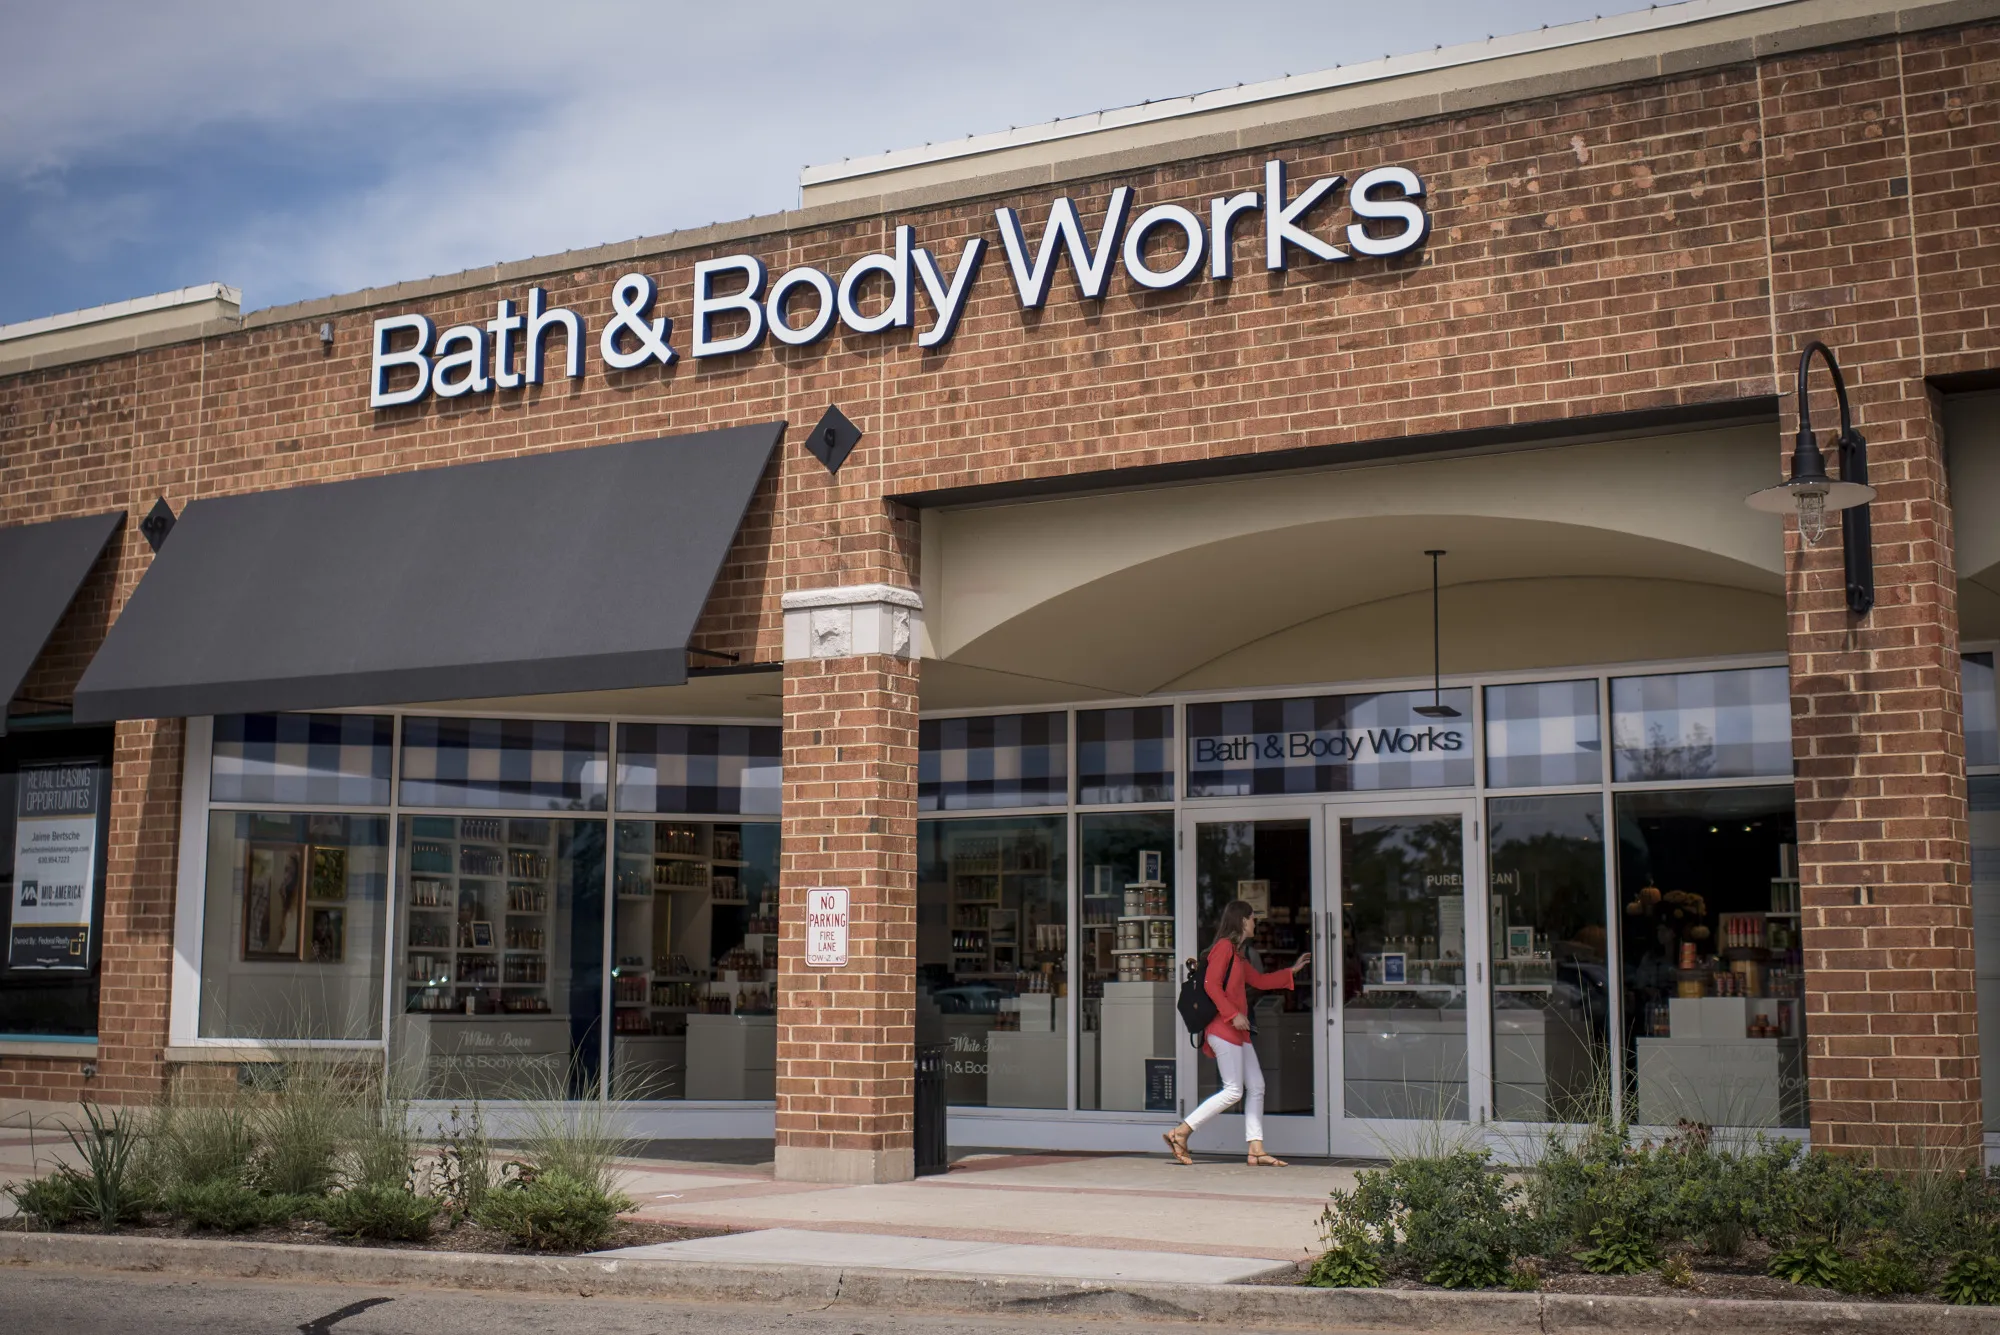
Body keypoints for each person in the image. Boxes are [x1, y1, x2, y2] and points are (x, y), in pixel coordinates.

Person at [1164, 899, 1311, 1167]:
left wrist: (1292, 971)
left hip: (1237, 1033)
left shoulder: (1237, 954)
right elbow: (1210, 985)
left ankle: (1256, 1148)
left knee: (1256, 1086)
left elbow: (1260, 981)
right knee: (1233, 1091)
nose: (1256, 922)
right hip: (1223, 1029)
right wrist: (1233, 1014)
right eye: (1253, 918)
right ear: (1242, 920)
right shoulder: (1223, 949)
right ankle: (1182, 1132)